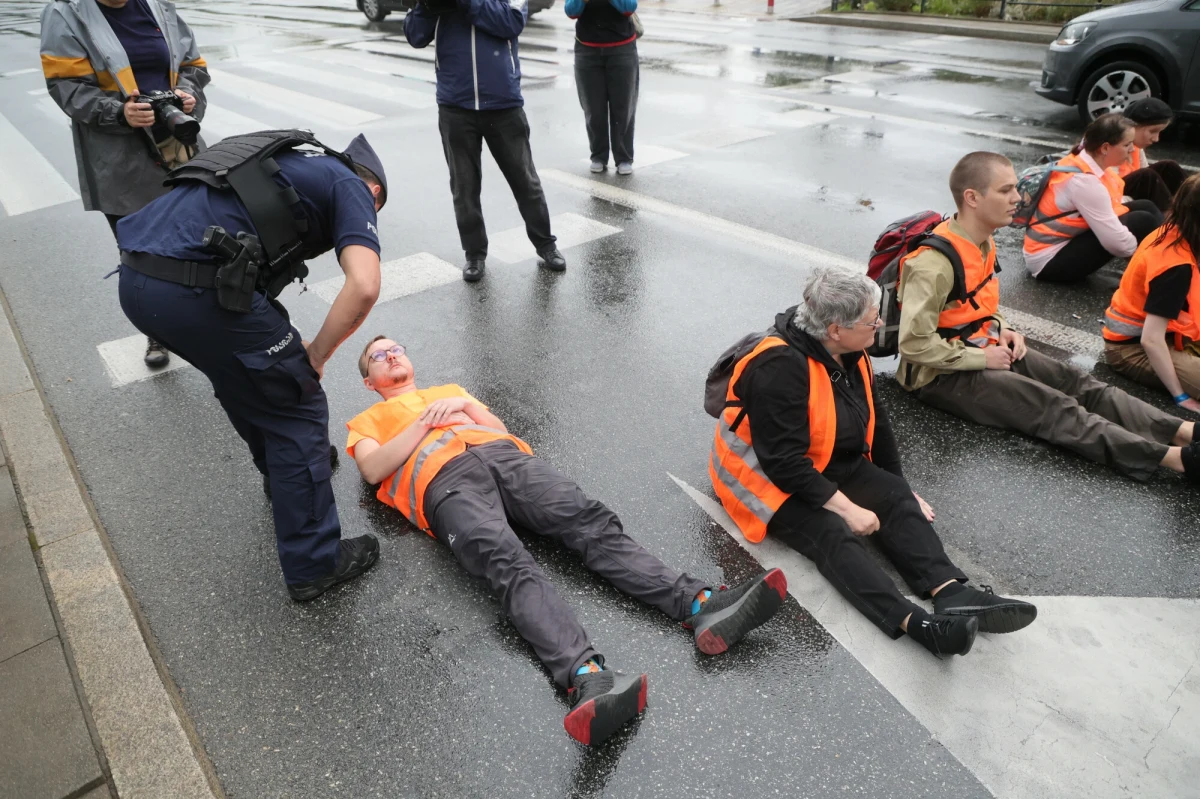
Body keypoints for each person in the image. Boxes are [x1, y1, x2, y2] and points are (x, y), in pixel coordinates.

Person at [347, 337, 787, 745]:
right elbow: (372, 468)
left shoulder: (449, 391)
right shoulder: (366, 422)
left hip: (504, 457)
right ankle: (588, 678)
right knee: (506, 562)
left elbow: (497, 426)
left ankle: (702, 604)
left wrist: (462, 403)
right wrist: (424, 423)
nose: (391, 355)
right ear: (370, 382)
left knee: (587, 519)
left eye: (396, 348)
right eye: (378, 356)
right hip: (446, 483)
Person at [115, 130, 390, 601]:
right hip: (193, 293)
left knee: (244, 373)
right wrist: (315, 356)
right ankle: (315, 563)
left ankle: (281, 477)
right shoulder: (351, 185)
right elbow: (364, 285)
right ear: (374, 191)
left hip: (139, 283)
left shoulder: (289, 162)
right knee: (295, 400)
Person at [710, 269, 1037, 659]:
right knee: (831, 531)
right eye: (872, 320)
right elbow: (783, 463)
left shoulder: (849, 348)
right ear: (835, 330)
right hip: (763, 476)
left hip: (819, 460)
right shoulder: (776, 367)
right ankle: (918, 625)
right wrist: (848, 509)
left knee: (894, 493)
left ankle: (951, 592)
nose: (880, 324)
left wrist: (899, 487)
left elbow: (877, 422)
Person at [900, 151, 1200, 487]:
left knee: (1078, 382)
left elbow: (977, 305)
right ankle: (1175, 459)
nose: (1018, 198)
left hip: (983, 344)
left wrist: (1004, 328)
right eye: (1005, 190)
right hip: (939, 375)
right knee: (1053, 406)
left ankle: (1184, 431)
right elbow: (913, 345)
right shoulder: (932, 264)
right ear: (972, 198)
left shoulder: (982, 240)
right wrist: (983, 358)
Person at [41, 0, 210, 368]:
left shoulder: (159, 7)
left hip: (177, 141)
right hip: (119, 156)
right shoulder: (66, 14)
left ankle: (210, 317)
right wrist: (120, 112)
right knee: (141, 249)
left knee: (202, 234)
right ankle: (157, 328)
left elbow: (193, 65)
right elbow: (65, 86)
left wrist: (186, 94)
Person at [404, 0, 568, 283]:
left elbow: (511, 22)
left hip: (503, 103)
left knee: (525, 180)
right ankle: (474, 254)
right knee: (464, 187)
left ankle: (545, 244)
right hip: (455, 104)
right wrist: (427, 7)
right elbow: (415, 35)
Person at [1024, 113, 1163, 283]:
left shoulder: (1083, 160)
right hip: (1049, 262)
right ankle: (1165, 266)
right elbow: (1117, 244)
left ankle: (1171, 255)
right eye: (1127, 144)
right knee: (1142, 220)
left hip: (1058, 245)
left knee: (1145, 206)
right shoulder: (1084, 183)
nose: (1132, 150)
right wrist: (1140, 256)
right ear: (1105, 148)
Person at [1103, 173, 1200, 411]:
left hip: (1168, 335)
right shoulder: (1176, 267)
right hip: (1131, 349)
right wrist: (1180, 396)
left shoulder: (1175, 231)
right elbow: (1151, 339)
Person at [565, 0, 639, 176]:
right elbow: (571, 11)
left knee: (623, 106)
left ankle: (624, 158)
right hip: (587, 50)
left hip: (622, 49)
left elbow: (629, 7)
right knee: (593, 107)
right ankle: (598, 155)